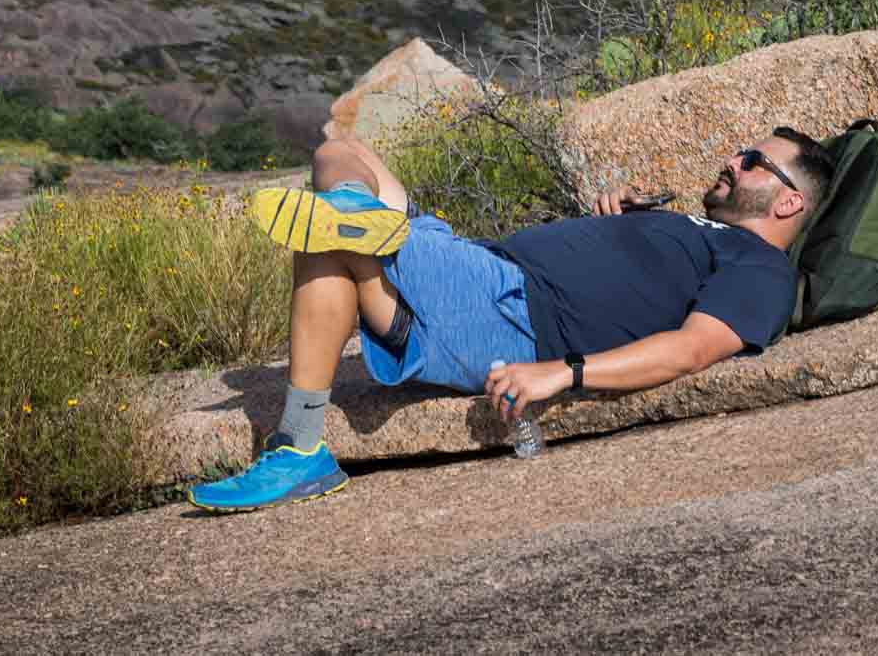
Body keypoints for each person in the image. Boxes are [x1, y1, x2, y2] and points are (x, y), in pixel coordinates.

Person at [188, 125, 835, 513]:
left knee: (328, 235)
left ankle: (299, 443)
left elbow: (691, 349)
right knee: (341, 152)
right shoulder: (695, 226)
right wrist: (622, 226)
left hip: (512, 307)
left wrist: (565, 372)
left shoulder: (763, 271)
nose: (733, 159)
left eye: (753, 159)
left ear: (789, 200)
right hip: (479, 263)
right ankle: (359, 223)